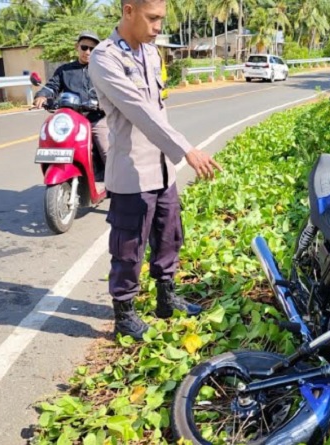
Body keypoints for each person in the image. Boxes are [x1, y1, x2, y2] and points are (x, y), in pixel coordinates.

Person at [89, 0, 222, 341]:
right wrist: (187, 150)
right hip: (132, 170)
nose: (159, 27)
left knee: (168, 235)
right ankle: (125, 313)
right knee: (129, 245)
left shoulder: (150, 53)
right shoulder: (105, 58)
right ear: (129, 10)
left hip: (162, 167)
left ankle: (166, 298)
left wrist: (174, 156)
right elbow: (139, 111)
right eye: (152, 18)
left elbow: (160, 109)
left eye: (161, 19)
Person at [33, 31, 109, 176]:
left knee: (107, 150)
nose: (88, 52)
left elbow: (112, 90)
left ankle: (116, 187)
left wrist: (105, 104)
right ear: (77, 47)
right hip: (71, 121)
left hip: (96, 118)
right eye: (84, 47)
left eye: (92, 49)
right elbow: (52, 86)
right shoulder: (65, 70)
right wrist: (42, 96)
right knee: (54, 143)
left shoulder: (102, 70)